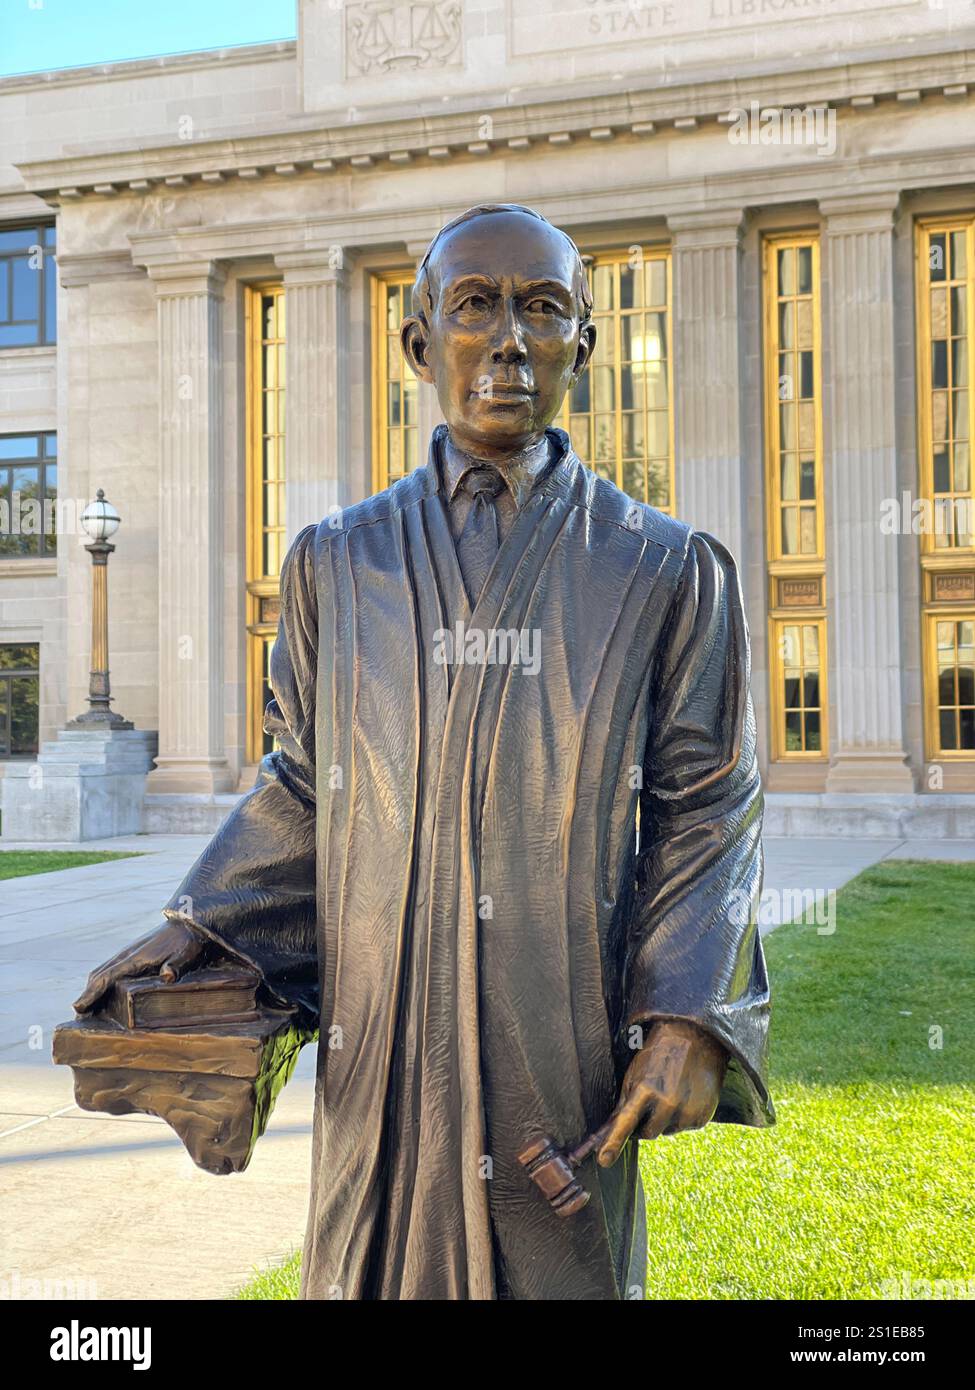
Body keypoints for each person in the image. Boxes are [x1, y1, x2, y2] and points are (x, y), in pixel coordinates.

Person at [76, 204, 773, 1301]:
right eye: (476, 307)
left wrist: (688, 1014)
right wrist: (197, 924)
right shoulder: (336, 564)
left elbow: (708, 803)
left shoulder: (665, 566)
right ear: (418, 345)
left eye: (543, 310)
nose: (509, 340)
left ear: (581, 348)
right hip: (383, 1039)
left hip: (557, 1038)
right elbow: (302, 783)